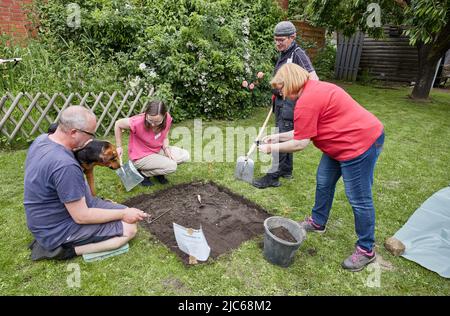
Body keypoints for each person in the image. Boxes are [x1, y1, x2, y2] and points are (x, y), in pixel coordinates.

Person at [258, 63, 385, 272]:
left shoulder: (307, 100)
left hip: (360, 144)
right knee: (324, 180)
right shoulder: (311, 91)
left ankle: (366, 249)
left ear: (290, 83)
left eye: (280, 88)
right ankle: (318, 221)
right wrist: (277, 136)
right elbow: (304, 130)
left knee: (358, 198)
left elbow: (300, 143)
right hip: (339, 143)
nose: (279, 93)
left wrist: (272, 148)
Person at [24, 106, 148, 261]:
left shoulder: (42, 140)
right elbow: (81, 216)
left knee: (128, 212)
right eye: (91, 134)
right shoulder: (65, 165)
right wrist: (123, 214)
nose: (91, 140)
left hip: (47, 217)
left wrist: (124, 212)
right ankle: (65, 251)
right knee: (129, 228)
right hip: (56, 228)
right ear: (74, 132)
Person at [253, 21, 319, 189]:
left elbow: (314, 79)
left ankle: (272, 176)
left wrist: (296, 96)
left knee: (281, 135)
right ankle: (286, 170)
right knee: (283, 132)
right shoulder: (284, 53)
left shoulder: (298, 54)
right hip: (282, 102)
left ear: (293, 37)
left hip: (290, 104)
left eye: (281, 39)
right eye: (275, 40)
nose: (277, 43)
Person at [114, 100, 189, 186]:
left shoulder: (167, 118)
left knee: (185, 155)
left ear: (164, 116)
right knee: (172, 166)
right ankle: (143, 174)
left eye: (157, 122)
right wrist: (119, 146)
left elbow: (165, 137)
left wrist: (166, 148)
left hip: (156, 150)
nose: (153, 124)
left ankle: (158, 173)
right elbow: (118, 124)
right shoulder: (137, 122)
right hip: (141, 156)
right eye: (150, 120)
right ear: (146, 114)